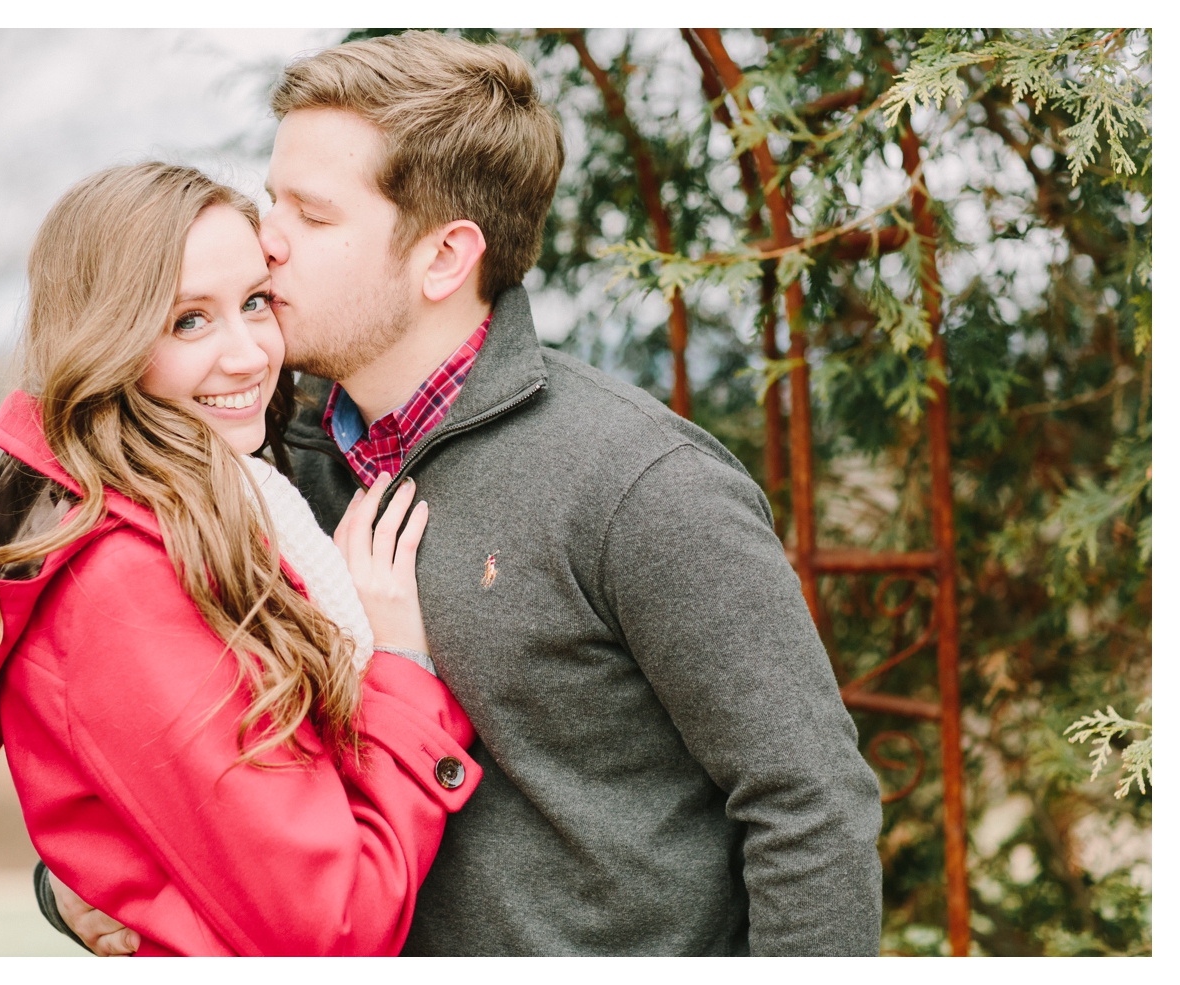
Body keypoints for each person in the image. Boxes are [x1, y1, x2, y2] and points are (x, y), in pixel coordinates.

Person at [46, 31, 885, 956]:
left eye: (312, 216)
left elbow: (811, 809)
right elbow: (177, 743)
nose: (265, 240)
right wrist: (81, 877)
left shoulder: (640, 486)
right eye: (270, 196)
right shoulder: (258, 463)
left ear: (445, 258)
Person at [0, 162, 484, 957]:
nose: (247, 357)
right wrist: (401, 666)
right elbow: (329, 929)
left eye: (255, 303)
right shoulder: (126, 580)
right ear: (109, 339)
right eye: (189, 321)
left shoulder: (238, 498)